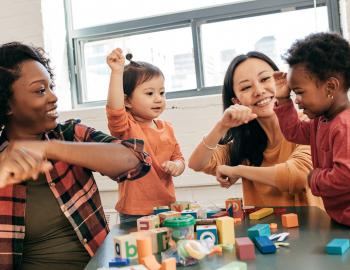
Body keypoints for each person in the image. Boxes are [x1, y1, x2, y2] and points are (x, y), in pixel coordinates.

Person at [0, 42, 151, 270]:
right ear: (7, 104)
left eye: (51, 87)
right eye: (41, 90)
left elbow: (135, 160)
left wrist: (50, 149)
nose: (53, 97)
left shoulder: (69, 134)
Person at [189, 51, 323, 208]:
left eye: (265, 79)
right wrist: (222, 126)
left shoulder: (308, 123)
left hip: (313, 231)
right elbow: (197, 163)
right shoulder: (246, 144)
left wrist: (239, 170)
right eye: (246, 87)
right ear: (237, 101)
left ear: (281, 80)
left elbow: (299, 175)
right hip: (263, 232)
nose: (259, 91)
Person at [273, 32, 350, 226]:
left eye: (299, 92)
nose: (296, 99)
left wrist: (314, 177)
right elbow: (293, 131)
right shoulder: (321, 121)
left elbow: (345, 176)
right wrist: (283, 99)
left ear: (330, 87)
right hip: (340, 217)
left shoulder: (345, 126)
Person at [105, 48, 185, 223]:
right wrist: (117, 73)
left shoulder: (167, 128)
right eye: (150, 93)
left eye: (162, 93)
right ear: (127, 101)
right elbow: (115, 110)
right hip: (135, 212)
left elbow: (179, 158)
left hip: (167, 208)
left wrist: (177, 166)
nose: (158, 99)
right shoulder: (126, 128)